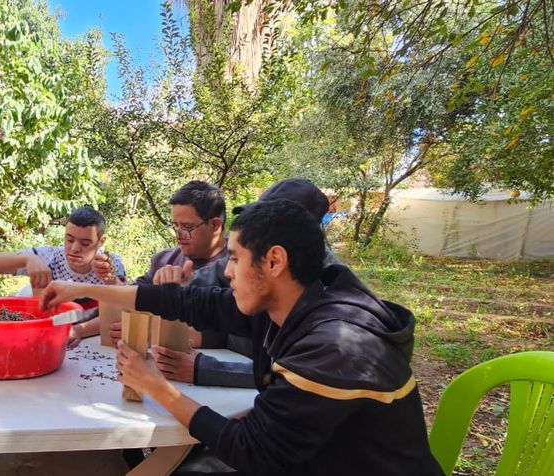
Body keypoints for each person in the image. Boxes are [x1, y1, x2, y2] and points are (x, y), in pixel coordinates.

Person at [41, 199, 443, 475]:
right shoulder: (288, 303)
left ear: (274, 261)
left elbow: (252, 451)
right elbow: (188, 302)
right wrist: (81, 290)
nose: (227, 271)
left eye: (234, 258)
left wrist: (156, 387)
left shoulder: (333, 346)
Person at [145, 178, 343, 389]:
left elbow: (295, 375)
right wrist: (182, 283)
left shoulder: (332, 300)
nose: (232, 270)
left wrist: (205, 369)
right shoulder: (252, 261)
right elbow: (209, 281)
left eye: (268, 222)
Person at [0, 206, 125, 342]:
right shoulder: (49, 256)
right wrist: (26, 259)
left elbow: (119, 314)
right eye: (69, 240)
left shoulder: (110, 264)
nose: (74, 248)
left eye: (85, 243)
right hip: (41, 334)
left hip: (88, 341)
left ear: (101, 241)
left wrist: (77, 331)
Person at [135, 180, 229, 350]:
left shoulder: (238, 266)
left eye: (187, 227)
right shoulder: (164, 260)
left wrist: (150, 331)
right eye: (175, 225)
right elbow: (133, 299)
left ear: (215, 225)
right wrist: (112, 280)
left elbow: (238, 333)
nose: (178, 234)